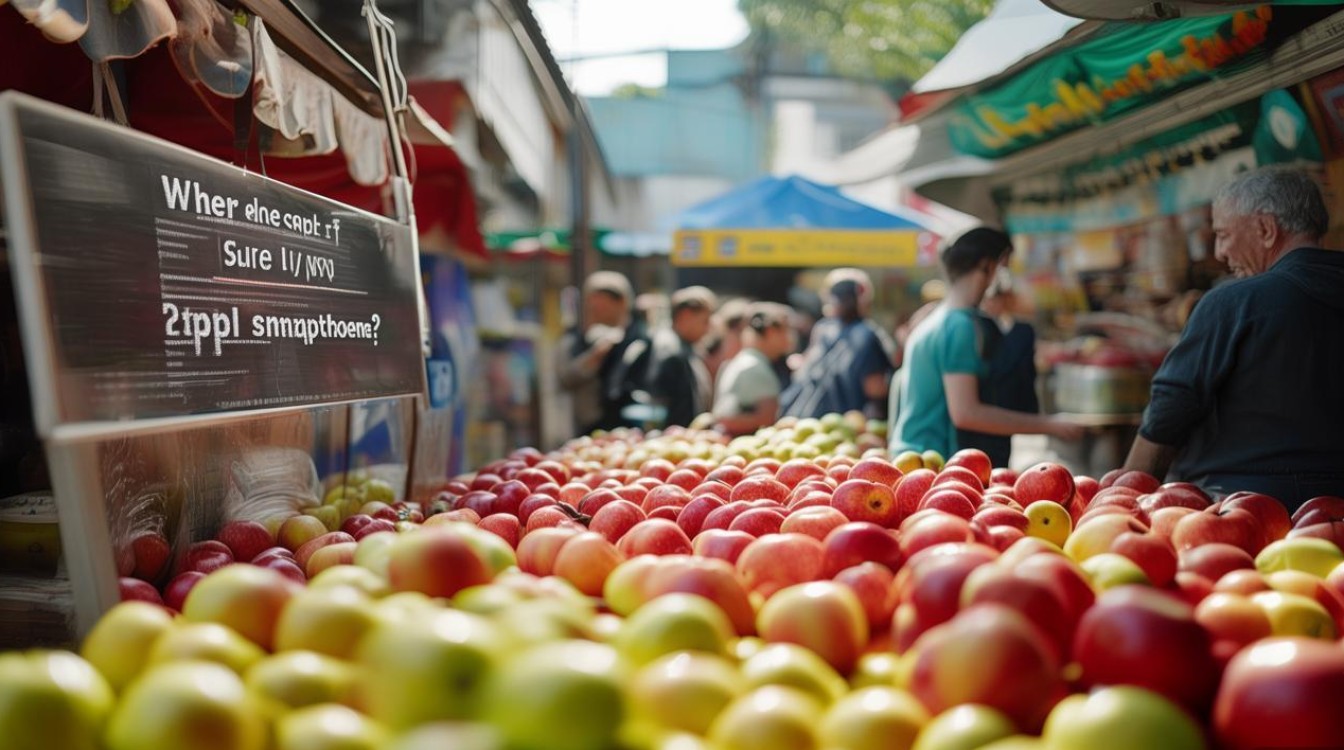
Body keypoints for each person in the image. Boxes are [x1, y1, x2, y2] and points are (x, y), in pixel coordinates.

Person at [1123, 167, 1344, 511]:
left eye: (1224, 234)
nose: (1220, 252)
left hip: (1241, 513)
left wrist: (1121, 501)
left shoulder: (1234, 301)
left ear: (1265, 229)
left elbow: (1171, 407)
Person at [891, 227, 1081, 459]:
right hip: (935, 465)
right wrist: (1049, 425)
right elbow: (966, 413)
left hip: (913, 457)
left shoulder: (933, 321)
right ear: (987, 266)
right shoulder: (960, 327)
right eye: (1003, 267)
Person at [780, 268, 896, 418]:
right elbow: (875, 388)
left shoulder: (823, 328)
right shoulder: (867, 334)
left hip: (809, 422)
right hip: (845, 426)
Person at [955, 270, 1041, 467]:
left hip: (1010, 406)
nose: (991, 303)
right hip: (985, 410)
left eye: (996, 298)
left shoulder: (1022, 330)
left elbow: (1027, 373)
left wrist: (1030, 412)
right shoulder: (974, 328)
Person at [556, 271, 650, 436]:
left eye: (601, 306)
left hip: (631, 428)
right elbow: (566, 379)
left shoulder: (641, 339)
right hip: (591, 426)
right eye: (591, 306)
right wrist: (596, 354)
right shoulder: (579, 340)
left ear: (622, 303)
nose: (595, 312)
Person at [713, 302, 796, 435]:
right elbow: (766, 419)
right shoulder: (755, 368)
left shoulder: (745, 361)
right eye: (787, 329)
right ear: (771, 331)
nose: (791, 337)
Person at [647, 285, 717, 428]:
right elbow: (661, 408)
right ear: (686, 315)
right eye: (705, 321)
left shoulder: (682, 347)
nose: (708, 328)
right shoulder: (671, 351)